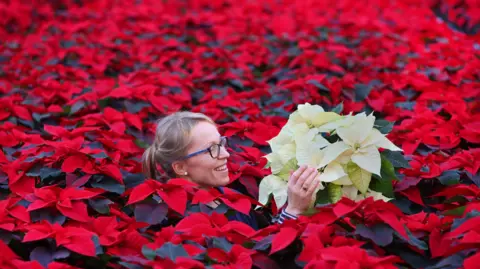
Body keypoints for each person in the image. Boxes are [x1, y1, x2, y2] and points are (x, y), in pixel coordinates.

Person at [141, 111, 321, 229]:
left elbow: (261, 241)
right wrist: (293, 211)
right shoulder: (179, 219)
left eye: (221, 143)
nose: (226, 154)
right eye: (212, 149)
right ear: (180, 167)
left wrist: (293, 206)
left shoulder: (227, 197)